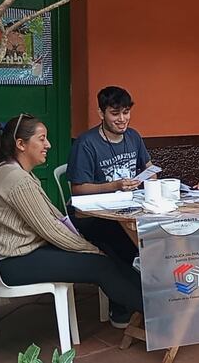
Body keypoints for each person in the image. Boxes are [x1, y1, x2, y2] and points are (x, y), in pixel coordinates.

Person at [0, 113, 143, 329]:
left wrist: (87, 244)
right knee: (101, 265)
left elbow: (54, 217)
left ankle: (147, 304)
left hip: (16, 256)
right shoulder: (16, 180)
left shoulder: (11, 172)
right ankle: (157, 311)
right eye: (42, 138)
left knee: (104, 251)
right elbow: (51, 230)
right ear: (21, 144)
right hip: (12, 263)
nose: (48, 144)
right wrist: (88, 248)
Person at [67, 86, 153, 267]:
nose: (122, 119)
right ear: (101, 113)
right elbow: (77, 190)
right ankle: (129, 288)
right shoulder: (86, 143)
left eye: (126, 112)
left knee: (154, 231)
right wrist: (114, 186)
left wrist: (150, 181)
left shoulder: (133, 136)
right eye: (115, 114)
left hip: (130, 208)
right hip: (95, 216)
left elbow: (149, 169)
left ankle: (149, 279)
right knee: (127, 244)